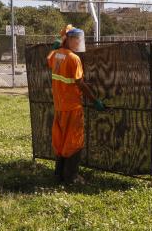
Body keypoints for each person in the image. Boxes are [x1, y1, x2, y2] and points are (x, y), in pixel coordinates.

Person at [47, 24, 105, 184]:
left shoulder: (56, 54)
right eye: (78, 39)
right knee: (74, 141)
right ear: (70, 39)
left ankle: (59, 174)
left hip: (59, 106)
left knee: (61, 141)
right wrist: (95, 101)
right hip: (72, 107)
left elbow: (49, 59)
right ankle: (72, 177)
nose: (80, 43)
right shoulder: (74, 58)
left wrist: (55, 46)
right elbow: (80, 83)